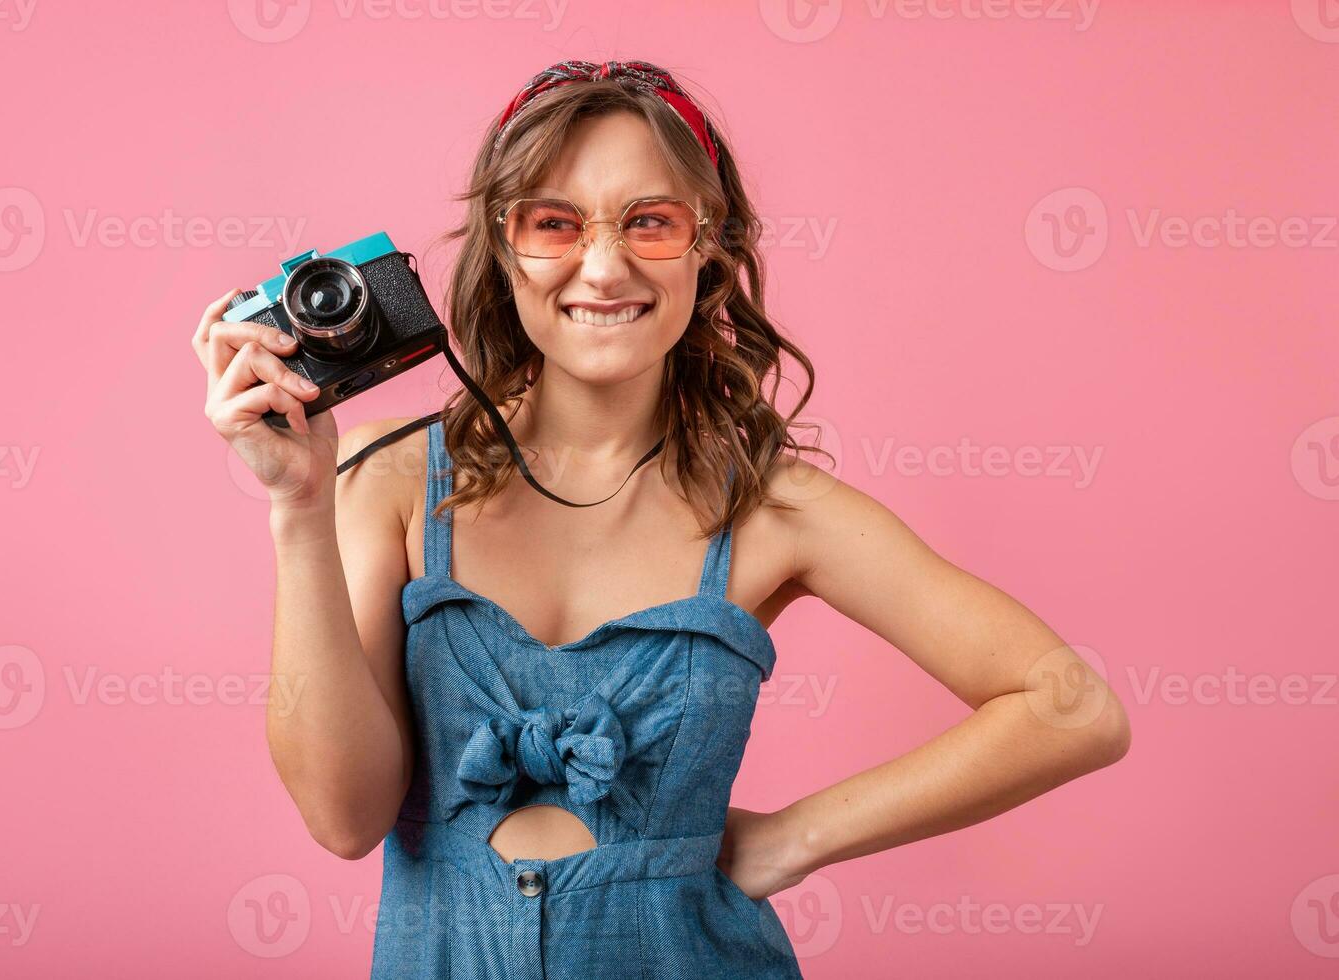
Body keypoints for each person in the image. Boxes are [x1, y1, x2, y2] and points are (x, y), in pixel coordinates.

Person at [192, 59, 1131, 979]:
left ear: (708, 247)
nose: (602, 268)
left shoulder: (773, 510)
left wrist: (796, 837)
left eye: (651, 222)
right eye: (554, 223)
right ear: (503, 245)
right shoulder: (390, 478)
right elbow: (343, 818)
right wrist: (299, 507)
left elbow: (1069, 708)